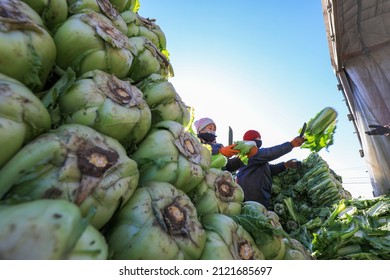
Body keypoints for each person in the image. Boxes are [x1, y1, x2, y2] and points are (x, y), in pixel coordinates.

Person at [235, 129, 305, 209]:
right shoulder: (249, 153)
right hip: (251, 197)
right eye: (257, 138)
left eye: (259, 138)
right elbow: (270, 153)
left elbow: (269, 170)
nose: (259, 140)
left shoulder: (258, 158)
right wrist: (291, 144)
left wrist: (286, 165)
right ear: (250, 141)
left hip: (259, 197)